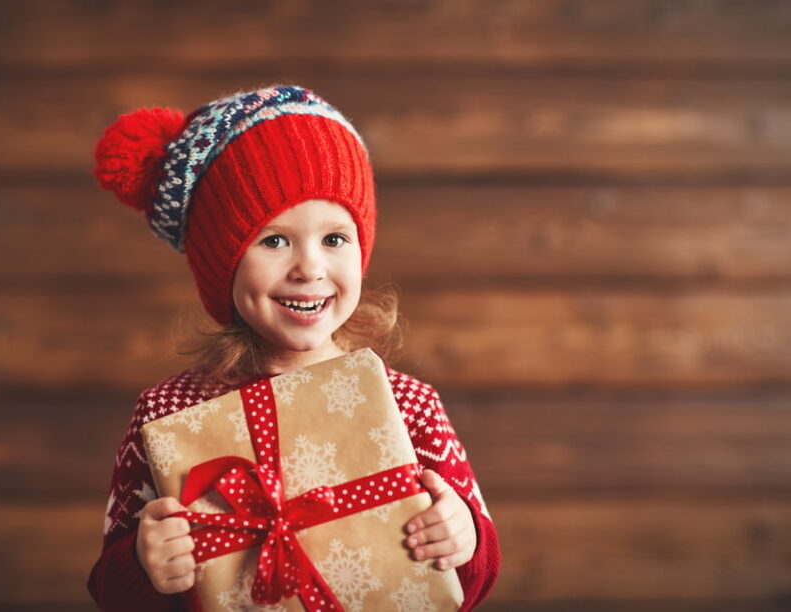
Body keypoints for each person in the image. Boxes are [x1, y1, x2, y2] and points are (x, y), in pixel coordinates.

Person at [87, 85, 501, 611]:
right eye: (274, 240)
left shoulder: (409, 406)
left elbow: (474, 577)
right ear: (222, 263)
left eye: (334, 239)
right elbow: (110, 593)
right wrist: (145, 567)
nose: (309, 268)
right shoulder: (169, 415)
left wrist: (462, 538)